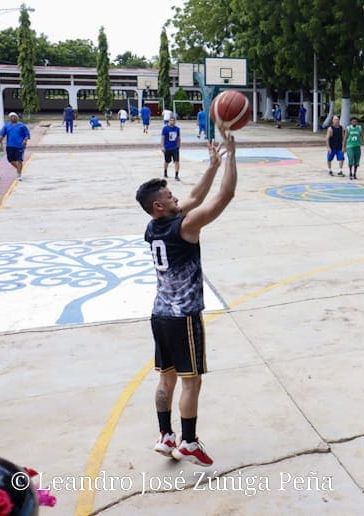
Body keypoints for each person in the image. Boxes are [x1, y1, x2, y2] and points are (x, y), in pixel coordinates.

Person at [135, 128, 237, 467]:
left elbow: (193, 197)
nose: (176, 197)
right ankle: (189, 442)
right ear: (158, 205)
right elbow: (224, 196)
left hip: (160, 314)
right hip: (184, 318)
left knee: (166, 378)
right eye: (169, 195)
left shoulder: (153, 226)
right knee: (191, 382)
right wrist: (232, 158)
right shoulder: (185, 227)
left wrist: (212, 165)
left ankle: (166, 436)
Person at [0, 112, 30, 181]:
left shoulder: (22, 125)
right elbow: (2, 135)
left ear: (17, 117)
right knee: (11, 161)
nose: (13, 118)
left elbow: (27, 134)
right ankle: (19, 169)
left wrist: (25, 140)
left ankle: (19, 175)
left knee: (19, 160)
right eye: (11, 117)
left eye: (14, 116)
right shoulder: (6, 126)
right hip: (10, 146)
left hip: (19, 146)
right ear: (9, 118)